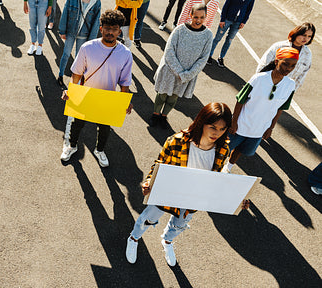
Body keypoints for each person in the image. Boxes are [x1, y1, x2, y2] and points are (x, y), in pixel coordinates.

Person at [126, 102, 246, 266]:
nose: (217, 133)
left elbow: (217, 178)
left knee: (179, 224)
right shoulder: (177, 141)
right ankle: (134, 237)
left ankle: (167, 241)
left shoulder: (223, 149)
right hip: (167, 192)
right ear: (201, 122)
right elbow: (159, 163)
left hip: (193, 198)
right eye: (213, 127)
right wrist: (149, 182)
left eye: (222, 129)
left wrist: (237, 199)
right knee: (148, 218)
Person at [60, 9, 133, 167]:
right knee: (77, 123)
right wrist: (71, 91)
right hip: (85, 93)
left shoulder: (125, 53)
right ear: (101, 29)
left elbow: (125, 81)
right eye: (107, 28)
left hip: (108, 97)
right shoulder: (88, 47)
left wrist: (124, 101)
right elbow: (77, 73)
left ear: (119, 31)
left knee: (104, 128)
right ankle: (71, 146)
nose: (110, 32)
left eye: (114, 29)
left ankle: (99, 150)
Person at [222, 47, 298, 173]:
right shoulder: (259, 78)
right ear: (276, 61)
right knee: (224, 148)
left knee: (242, 150)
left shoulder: (290, 85)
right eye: (285, 64)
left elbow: (280, 109)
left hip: (259, 129)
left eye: (293, 66)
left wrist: (270, 128)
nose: (288, 69)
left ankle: (228, 167)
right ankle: (212, 166)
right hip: (241, 123)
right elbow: (240, 100)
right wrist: (234, 122)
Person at [151, 4, 213, 128]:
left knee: (173, 97)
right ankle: (155, 114)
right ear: (191, 15)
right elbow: (169, 51)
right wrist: (179, 72)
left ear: (206, 17)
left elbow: (203, 58)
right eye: (196, 17)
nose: (198, 20)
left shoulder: (208, 35)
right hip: (170, 70)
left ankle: (164, 116)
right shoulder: (179, 30)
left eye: (202, 17)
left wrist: (187, 74)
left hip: (187, 74)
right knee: (162, 94)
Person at [256, 23, 315, 91]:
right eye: (304, 35)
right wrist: (260, 82)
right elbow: (264, 64)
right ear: (296, 33)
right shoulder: (279, 46)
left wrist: (291, 91)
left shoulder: (307, 54)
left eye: (309, 36)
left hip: (284, 90)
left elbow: (302, 76)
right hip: (266, 85)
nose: (306, 38)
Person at [57, 0, 101, 86]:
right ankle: (60, 75)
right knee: (66, 54)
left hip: (84, 34)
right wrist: (62, 30)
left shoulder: (96, 2)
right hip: (70, 31)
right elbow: (65, 12)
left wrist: (91, 39)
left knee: (79, 58)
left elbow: (96, 22)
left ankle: (76, 82)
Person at [207, 0, 255, 68]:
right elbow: (226, 5)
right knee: (217, 38)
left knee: (229, 40)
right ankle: (209, 55)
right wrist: (222, 19)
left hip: (238, 22)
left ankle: (221, 58)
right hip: (227, 19)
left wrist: (244, 22)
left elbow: (249, 10)